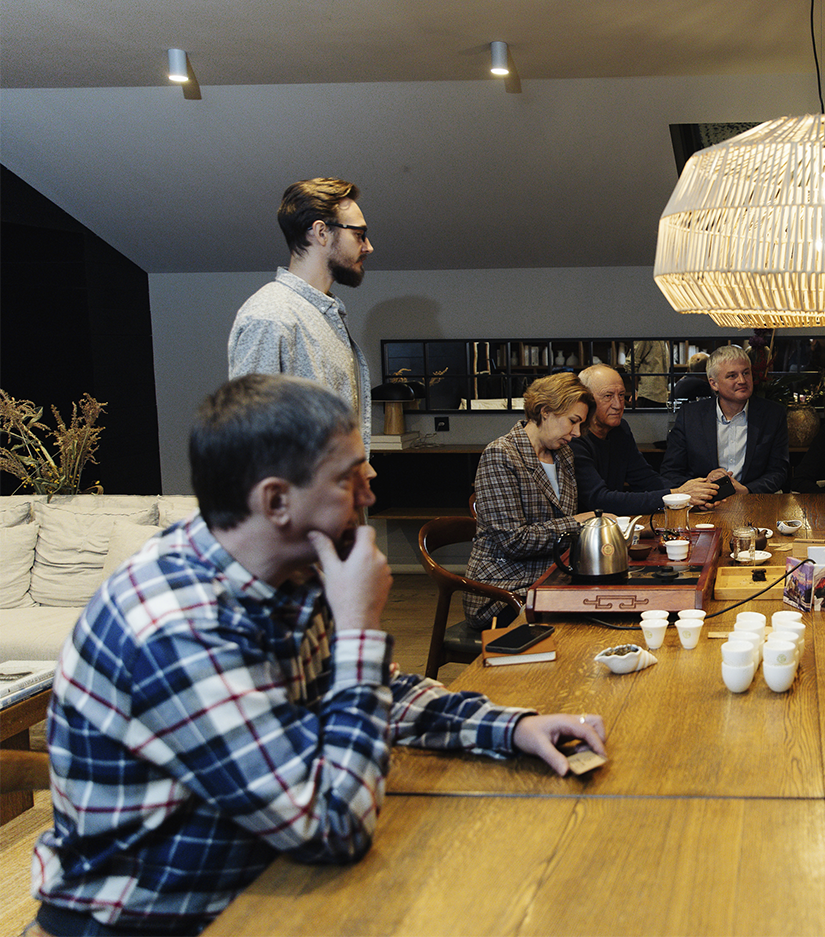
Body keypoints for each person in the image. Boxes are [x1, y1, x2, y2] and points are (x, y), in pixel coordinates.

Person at [30, 375, 606, 937]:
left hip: (262, 877)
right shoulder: (176, 627)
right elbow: (332, 826)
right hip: (154, 919)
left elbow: (380, 692)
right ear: (276, 500)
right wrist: (358, 627)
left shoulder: (291, 571)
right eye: (350, 477)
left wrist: (512, 727)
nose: (371, 492)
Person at [228, 178, 375, 452]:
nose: (368, 246)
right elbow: (249, 443)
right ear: (321, 232)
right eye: (359, 234)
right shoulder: (271, 316)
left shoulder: (321, 314)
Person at [465, 372, 596, 625]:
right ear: (545, 411)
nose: (578, 433)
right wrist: (577, 524)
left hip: (552, 577)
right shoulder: (501, 455)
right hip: (504, 590)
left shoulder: (563, 455)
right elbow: (514, 541)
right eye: (573, 421)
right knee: (589, 617)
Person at [574, 364, 718, 514]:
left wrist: (694, 495)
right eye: (608, 396)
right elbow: (600, 500)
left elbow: (646, 480)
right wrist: (676, 495)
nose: (618, 404)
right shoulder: (575, 438)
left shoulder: (620, 430)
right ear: (587, 400)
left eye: (621, 395)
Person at [660, 345, 789, 495]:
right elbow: (670, 472)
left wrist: (747, 491)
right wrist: (704, 484)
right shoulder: (690, 416)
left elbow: (778, 471)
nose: (742, 380)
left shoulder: (773, 414)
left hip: (753, 500)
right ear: (714, 383)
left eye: (746, 373)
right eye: (732, 376)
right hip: (703, 502)